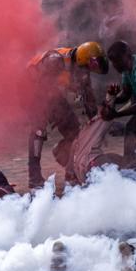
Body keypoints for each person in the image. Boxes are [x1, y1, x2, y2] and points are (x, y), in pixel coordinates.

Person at [27, 42, 109, 188]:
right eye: (87, 66)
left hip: (52, 94)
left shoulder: (80, 68)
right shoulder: (55, 60)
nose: (86, 72)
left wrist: (95, 125)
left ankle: (70, 169)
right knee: (38, 131)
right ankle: (34, 178)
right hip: (32, 90)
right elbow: (42, 91)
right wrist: (47, 114)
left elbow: (88, 99)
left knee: (74, 132)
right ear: (84, 59)